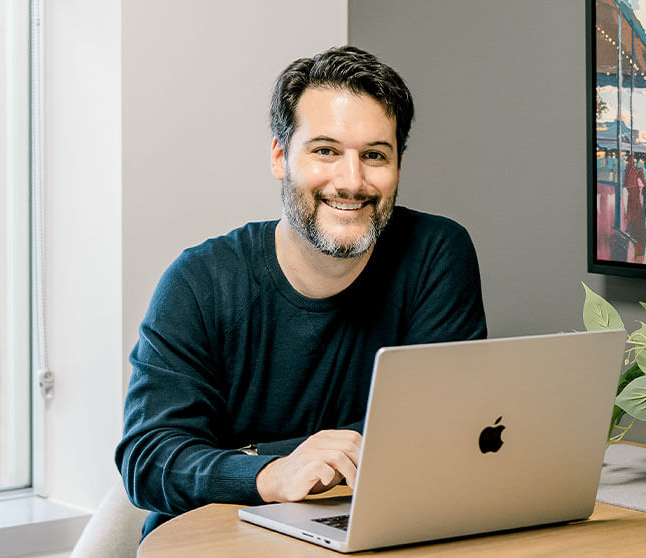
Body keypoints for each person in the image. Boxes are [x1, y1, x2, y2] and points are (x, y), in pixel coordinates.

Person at [115, 46, 488, 540]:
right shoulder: (200, 281)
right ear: (280, 157)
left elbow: (443, 428)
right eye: (325, 151)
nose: (352, 182)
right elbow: (148, 461)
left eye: (375, 155)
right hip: (215, 542)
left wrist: (252, 452)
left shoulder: (436, 253)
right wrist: (273, 473)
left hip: (372, 532)